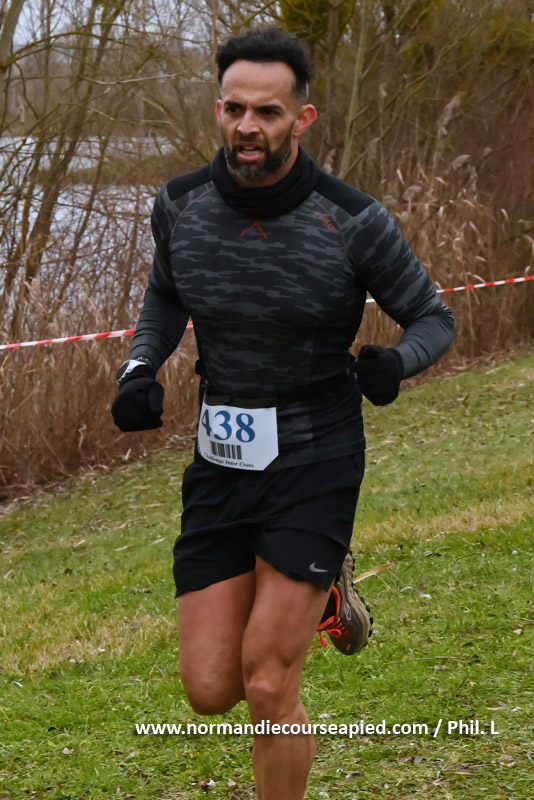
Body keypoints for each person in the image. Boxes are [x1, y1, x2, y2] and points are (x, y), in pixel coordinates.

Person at [111, 26, 454, 800]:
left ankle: (314, 582)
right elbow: (165, 294)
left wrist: (397, 362)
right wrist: (140, 367)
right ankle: (326, 594)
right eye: (234, 108)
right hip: (221, 460)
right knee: (211, 689)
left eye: (266, 112)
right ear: (218, 110)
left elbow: (434, 317)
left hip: (315, 456)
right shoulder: (180, 206)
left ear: (302, 118)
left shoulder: (352, 219)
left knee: (268, 684)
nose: (247, 126)